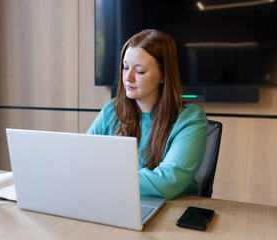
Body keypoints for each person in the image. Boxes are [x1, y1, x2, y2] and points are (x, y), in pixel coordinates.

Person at [87, 29, 208, 199]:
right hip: (118, 200)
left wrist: (104, 178)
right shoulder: (112, 110)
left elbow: (168, 181)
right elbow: (83, 161)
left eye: (140, 71)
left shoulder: (191, 119)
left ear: (163, 75)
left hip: (172, 210)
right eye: (125, 67)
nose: (128, 77)